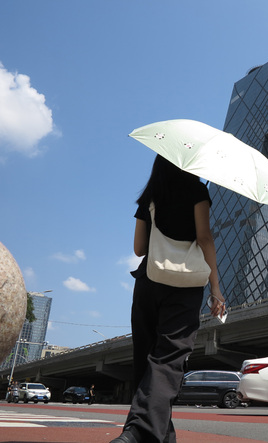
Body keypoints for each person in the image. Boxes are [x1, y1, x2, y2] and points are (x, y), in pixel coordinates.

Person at [111, 155, 225, 443]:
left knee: (146, 360)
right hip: (184, 287)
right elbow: (204, 238)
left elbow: (138, 248)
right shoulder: (198, 191)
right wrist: (216, 289)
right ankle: (137, 432)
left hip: (149, 283)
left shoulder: (149, 197)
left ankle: (159, 436)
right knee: (168, 360)